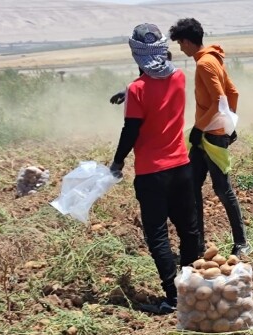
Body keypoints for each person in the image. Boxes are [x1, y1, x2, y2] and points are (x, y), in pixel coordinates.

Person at [109, 23, 200, 315]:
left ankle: (173, 297)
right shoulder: (180, 77)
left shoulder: (138, 90)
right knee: (189, 231)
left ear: (136, 54)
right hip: (182, 167)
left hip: (152, 174)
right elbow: (160, 82)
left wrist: (118, 161)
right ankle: (190, 288)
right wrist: (130, 91)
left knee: (158, 234)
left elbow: (131, 129)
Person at [168, 18, 250, 257]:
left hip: (210, 136)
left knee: (222, 189)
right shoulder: (213, 58)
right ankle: (198, 244)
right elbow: (233, 92)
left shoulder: (205, 63)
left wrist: (200, 127)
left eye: (180, 43)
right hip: (210, 134)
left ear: (187, 41)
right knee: (192, 189)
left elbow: (219, 100)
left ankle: (242, 242)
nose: (180, 49)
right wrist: (228, 122)